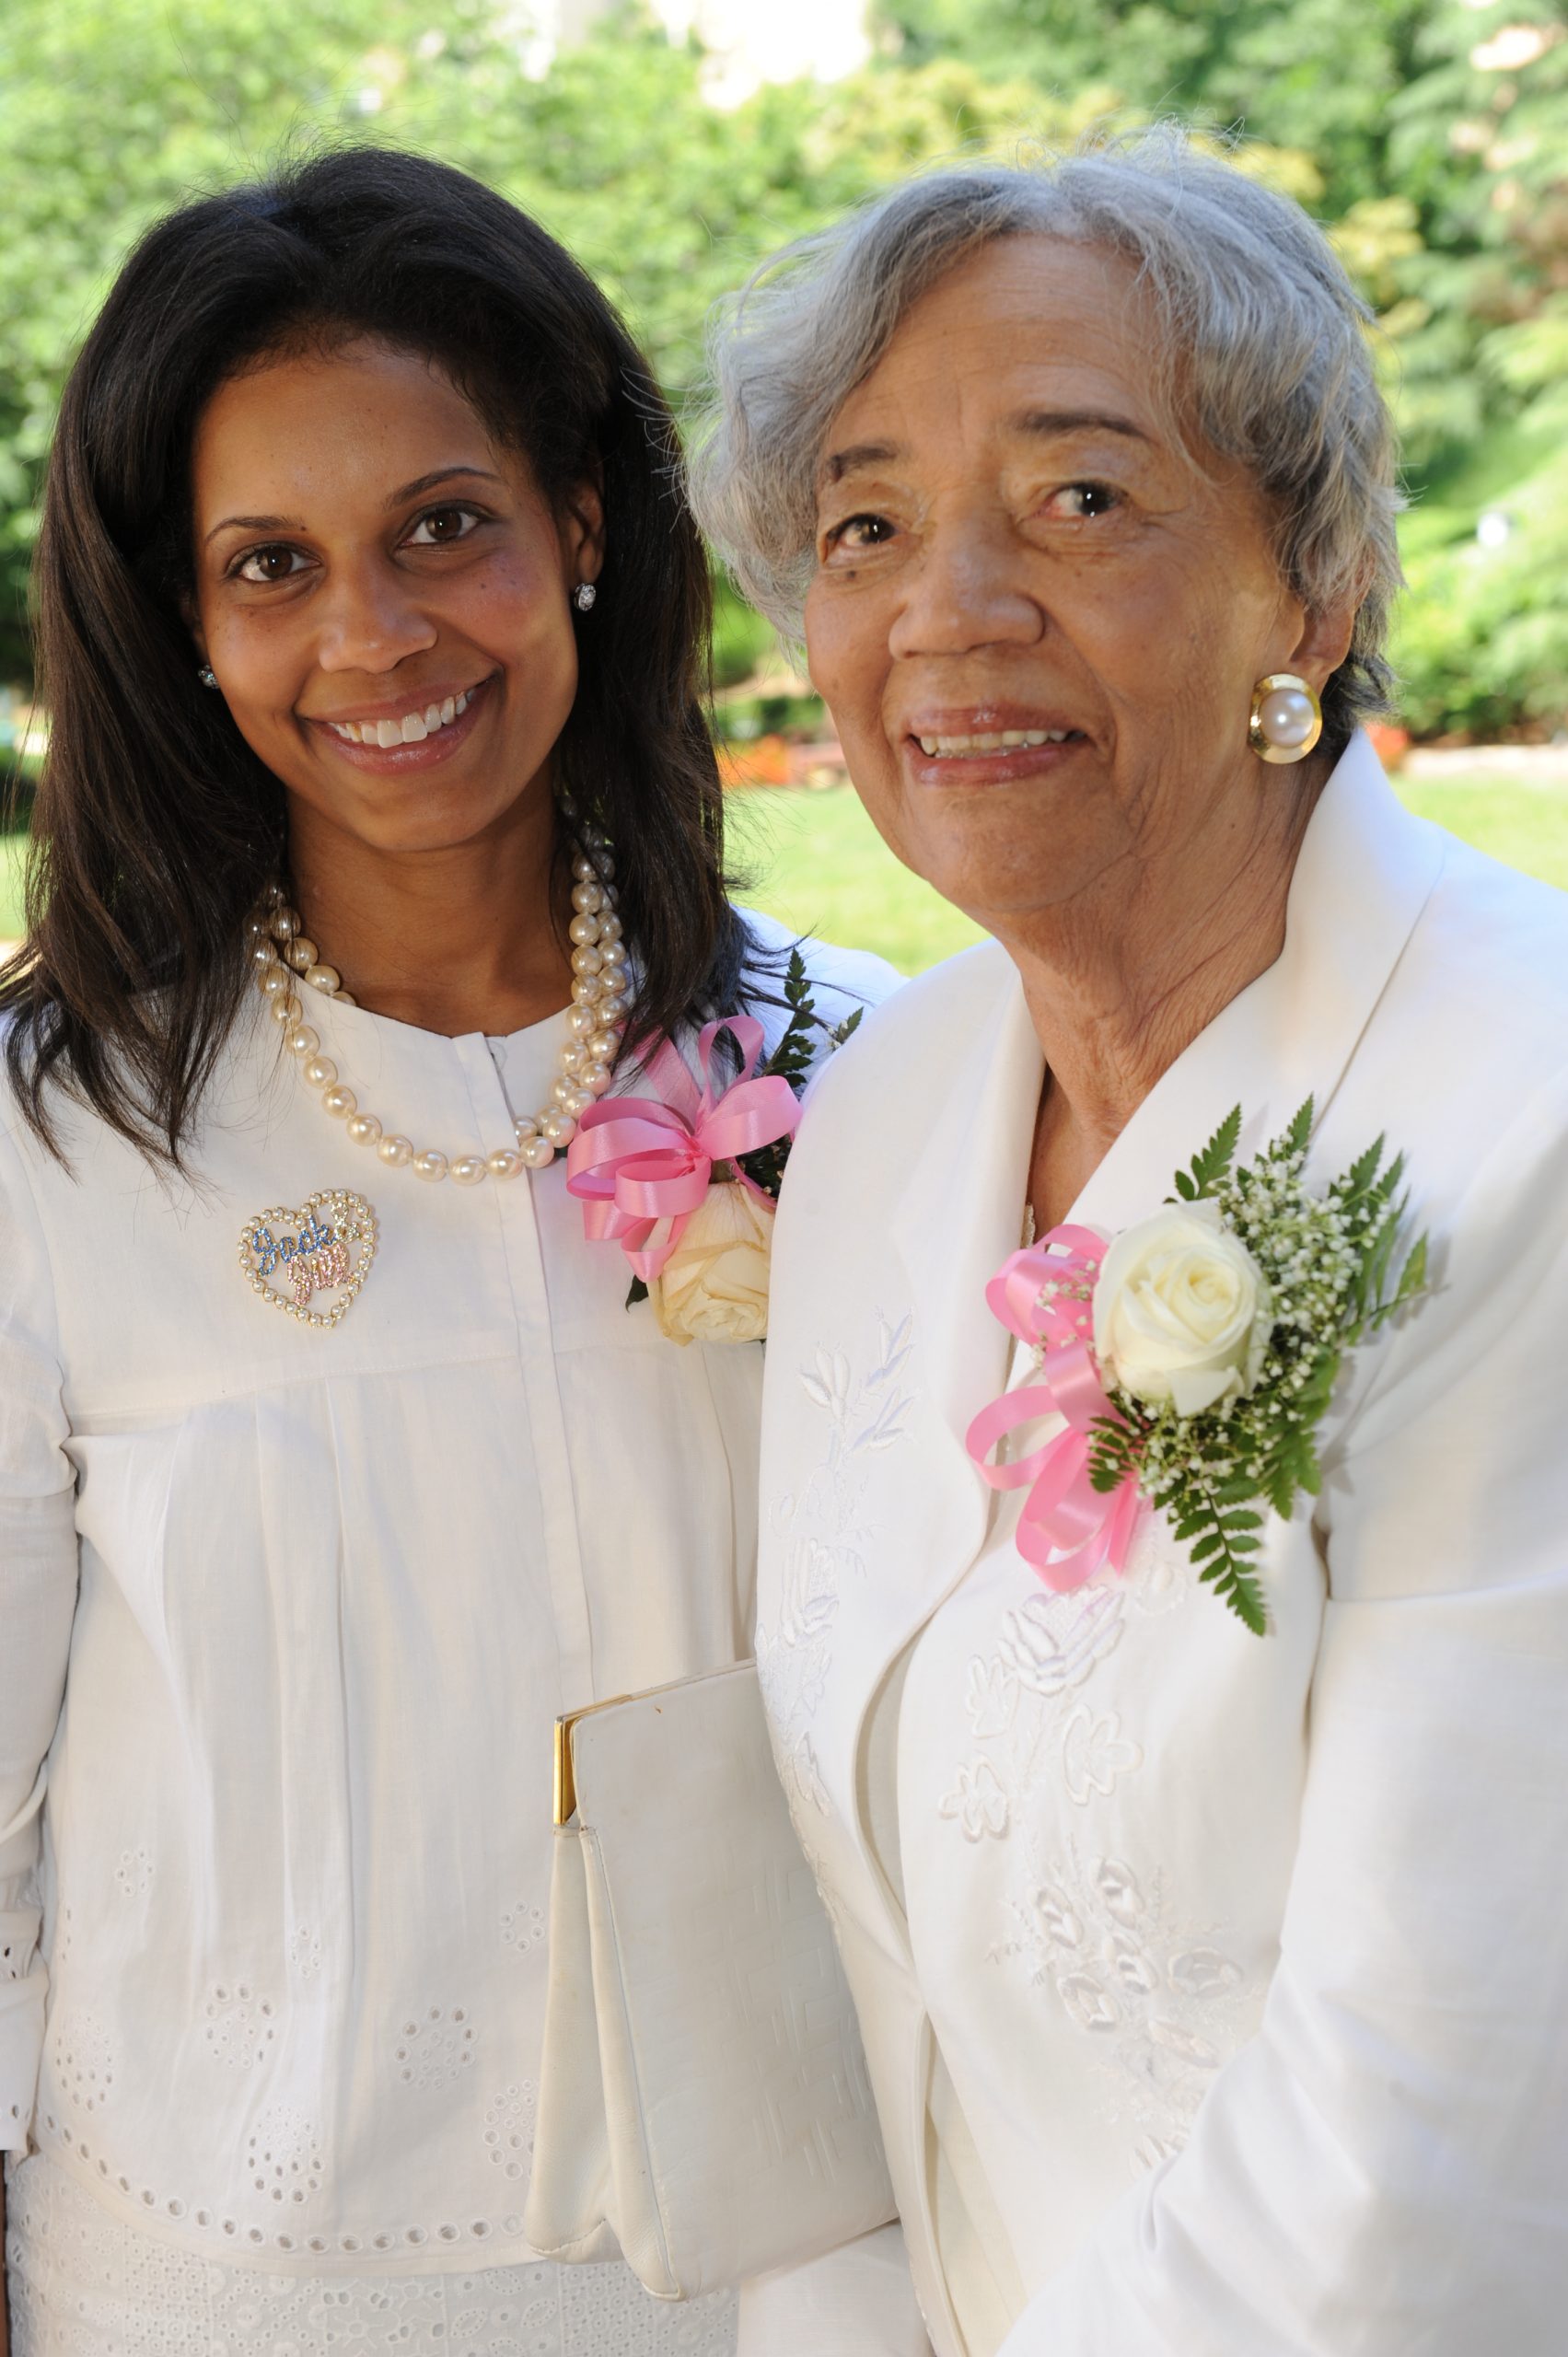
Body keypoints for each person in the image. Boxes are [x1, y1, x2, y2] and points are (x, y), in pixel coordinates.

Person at [0, 146, 894, 2355]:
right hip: (223, 2290)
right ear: (185, 631)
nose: (373, 635)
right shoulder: (49, 1141)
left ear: (582, 523)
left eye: (444, 526)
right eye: (271, 564)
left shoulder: (867, 1066)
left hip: (813, 2262)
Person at [693, 134, 1568, 2355]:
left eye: (1081, 498)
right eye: (866, 524)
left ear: (1316, 581)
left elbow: (1440, 2130)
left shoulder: (1524, 1128)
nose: (948, 609)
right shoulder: (896, 1098)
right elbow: (858, 1956)